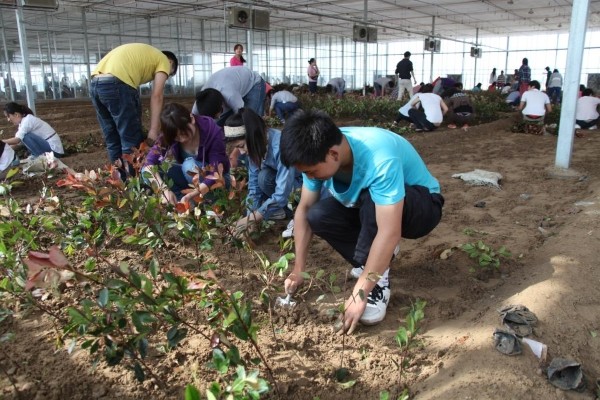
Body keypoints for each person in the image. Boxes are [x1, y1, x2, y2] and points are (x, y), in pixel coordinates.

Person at [280, 109, 444, 333]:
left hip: (422, 208)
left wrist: (360, 293)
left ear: (334, 155)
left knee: (371, 197)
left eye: (311, 172)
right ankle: (377, 263)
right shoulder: (319, 152)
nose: (310, 177)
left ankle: (377, 282)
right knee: (318, 214)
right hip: (374, 209)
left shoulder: (379, 158)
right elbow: (305, 208)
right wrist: (297, 270)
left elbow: (389, 231)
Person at [90, 43, 178, 166]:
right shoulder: (163, 60)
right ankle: (132, 181)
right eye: (169, 74)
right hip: (117, 83)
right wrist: (153, 130)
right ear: (170, 63)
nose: (166, 78)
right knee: (131, 141)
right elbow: (157, 96)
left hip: (96, 83)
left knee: (112, 138)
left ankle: (120, 180)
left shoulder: (146, 55)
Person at [224, 108, 301, 230]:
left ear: (252, 136)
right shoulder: (256, 146)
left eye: (242, 146)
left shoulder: (280, 147)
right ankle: (282, 209)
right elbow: (254, 187)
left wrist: (254, 218)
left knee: (265, 177)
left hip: (301, 187)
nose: (242, 152)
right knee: (262, 177)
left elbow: (282, 191)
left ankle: (295, 209)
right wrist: (250, 217)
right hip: (284, 186)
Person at [142, 103, 229, 205]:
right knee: (147, 172)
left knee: (189, 166)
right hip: (191, 181)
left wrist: (192, 194)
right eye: (177, 137)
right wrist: (164, 190)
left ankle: (211, 204)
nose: (182, 139)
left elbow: (215, 173)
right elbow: (148, 163)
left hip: (216, 182)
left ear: (191, 118)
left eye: (184, 133)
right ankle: (182, 204)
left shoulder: (213, 132)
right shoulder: (170, 133)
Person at [196, 67, 266, 126]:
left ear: (221, 105)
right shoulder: (202, 98)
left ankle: (261, 137)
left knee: (250, 119)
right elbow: (193, 118)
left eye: (218, 114)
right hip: (234, 83)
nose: (219, 117)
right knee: (218, 122)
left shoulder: (230, 96)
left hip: (253, 84)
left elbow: (242, 114)